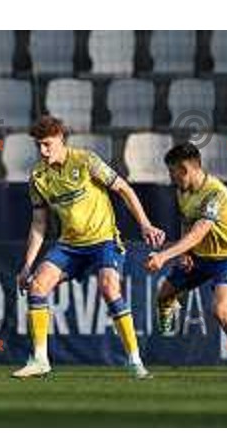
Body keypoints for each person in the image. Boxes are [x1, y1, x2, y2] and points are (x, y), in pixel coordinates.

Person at [14, 116, 166, 379]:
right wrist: (27, 264)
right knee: (37, 285)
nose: (43, 151)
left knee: (109, 287)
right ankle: (39, 360)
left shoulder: (86, 161)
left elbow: (124, 189)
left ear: (61, 138)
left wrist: (145, 224)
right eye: (39, 145)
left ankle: (134, 360)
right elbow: (39, 223)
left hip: (103, 241)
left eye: (47, 144)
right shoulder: (38, 176)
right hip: (69, 246)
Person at [144, 142, 227, 382]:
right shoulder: (182, 191)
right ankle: (170, 309)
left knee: (221, 310)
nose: (170, 178)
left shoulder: (216, 194)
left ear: (185, 169)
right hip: (199, 257)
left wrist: (165, 256)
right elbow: (187, 223)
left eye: (172, 172)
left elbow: (198, 232)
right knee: (164, 294)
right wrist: (184, 253)